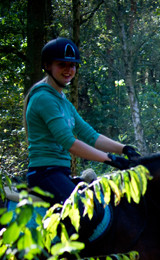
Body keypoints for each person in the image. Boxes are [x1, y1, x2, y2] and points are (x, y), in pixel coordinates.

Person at [25, 37, 139, 205]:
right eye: (61, 64)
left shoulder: (64, 102)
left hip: (59, 173)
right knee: (84, 214)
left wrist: (124, 149)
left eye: (72, 65)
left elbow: (91, 136)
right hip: (45, 174)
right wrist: (110, 159)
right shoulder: (44, 98)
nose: (68, 70)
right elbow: (69, 142)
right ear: (47, 66)